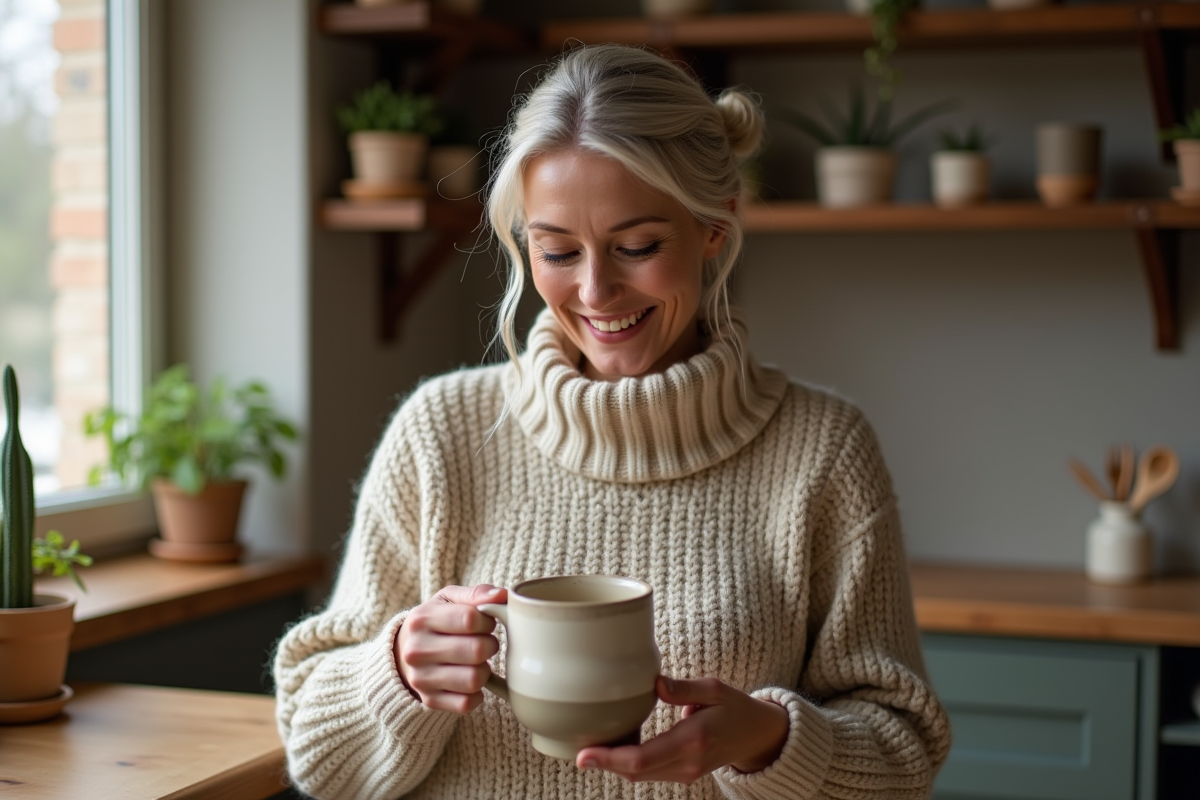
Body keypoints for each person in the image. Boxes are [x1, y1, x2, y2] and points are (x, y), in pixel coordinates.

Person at [274, 43, 950, 800]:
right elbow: (316, 755)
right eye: (556, 250)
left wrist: (771, 744)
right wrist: (396, 670)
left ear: (715, 229)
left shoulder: (822, 451)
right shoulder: (442, 432)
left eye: (637, 246)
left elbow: (903, 752)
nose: (596, 291)